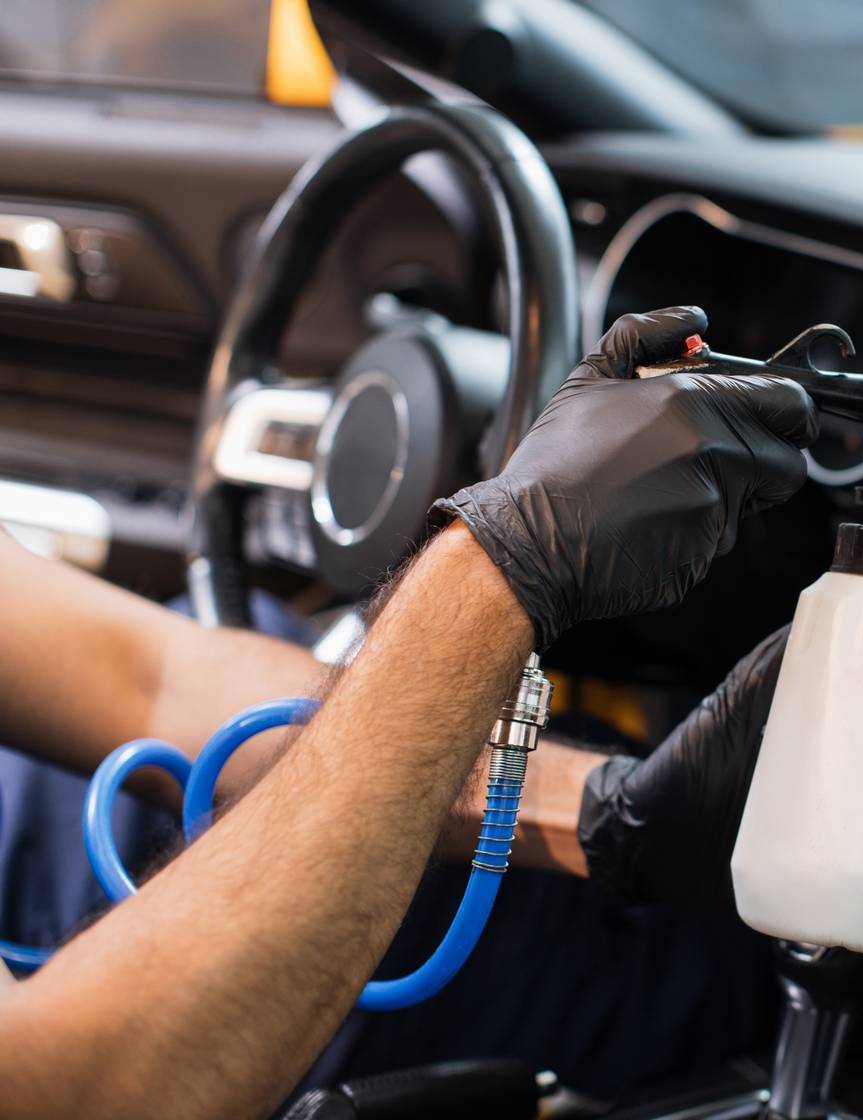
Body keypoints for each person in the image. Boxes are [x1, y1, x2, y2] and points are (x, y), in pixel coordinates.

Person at [0, 306, 816, 1118]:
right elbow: (75, 1084)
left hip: (190, 818)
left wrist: (605, 806)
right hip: (178, 1003)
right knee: (675, 969)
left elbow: (150, 678)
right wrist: (504, 558)